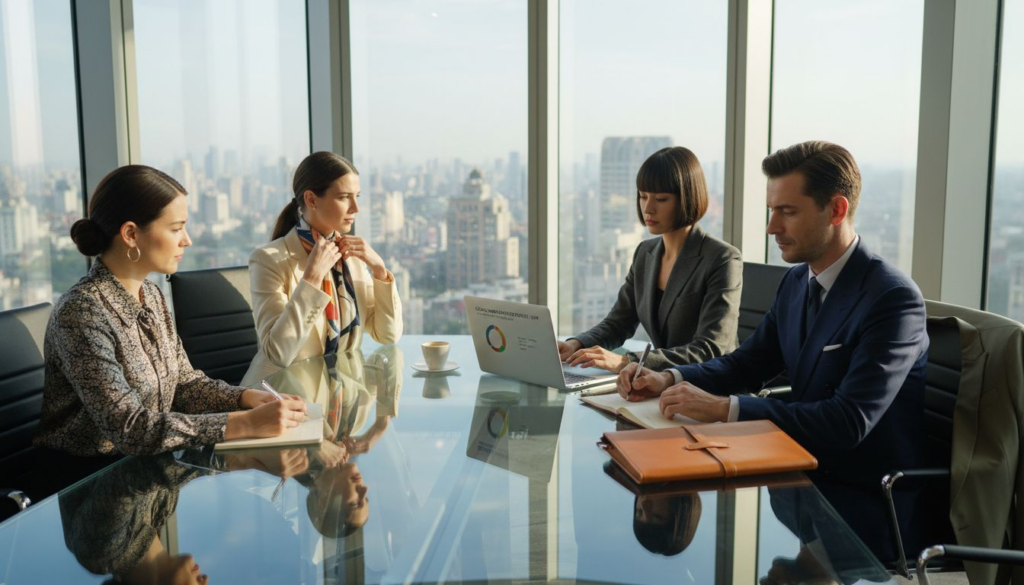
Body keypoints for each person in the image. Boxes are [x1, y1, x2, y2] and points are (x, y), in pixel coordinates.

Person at [617, 141, 928, 553]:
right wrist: (669, 377)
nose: (771, 228)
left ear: (836, 210)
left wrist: (726, 409)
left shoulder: (892, 299)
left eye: (788, 212)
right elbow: (749, 363)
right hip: (788, 481)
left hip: (858, 505)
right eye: (771, 211)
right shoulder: (799, 282)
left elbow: (847, 422)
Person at [34, 165, 307, 461]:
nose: (187, 240)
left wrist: (244, 398)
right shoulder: (81, 312)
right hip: (86, 482)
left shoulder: (149, 295)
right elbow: (131, 428)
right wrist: (244, 423)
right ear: (130, 234)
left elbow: (184, 384)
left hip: (149, 470)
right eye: (176, 228)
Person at [558, 146, 742, 373]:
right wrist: (575, 344)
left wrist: (628, 362)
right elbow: (619, 323)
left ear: (688, 198)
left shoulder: (722, 259)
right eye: (643, 196)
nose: (648, 208)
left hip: (710, 389)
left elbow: (709, 349)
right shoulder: (645, 253)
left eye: (661, 199)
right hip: (659, 384)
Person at [241, 151, 401, 387]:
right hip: (280, 398)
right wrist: (311, 280)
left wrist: (379, 270)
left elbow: (387, 335)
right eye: (345, 197)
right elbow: (277, 353)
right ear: (312, 200)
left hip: (342, 401)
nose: (355, 207)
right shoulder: (268, 260)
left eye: (357, 196)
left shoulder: (352, 256)